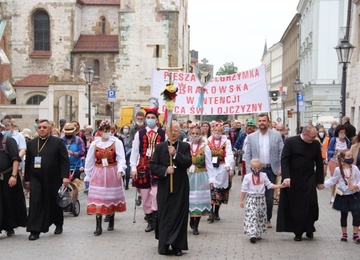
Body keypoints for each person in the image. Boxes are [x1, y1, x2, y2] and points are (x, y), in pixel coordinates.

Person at [151, 121, 192, 256]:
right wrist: (165, 170)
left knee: (179, 213)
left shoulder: (184, 146)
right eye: (171, 130)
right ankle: (164, 244)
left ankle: (177, 245)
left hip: (180, 185)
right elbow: (153, 166)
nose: (173, 133)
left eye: (176, 131)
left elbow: (188, 162)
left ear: (179, 132)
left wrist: (175, 154)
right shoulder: (160, 147)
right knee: (164, 213)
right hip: (164, 185)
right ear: (166, 132)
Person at [24, 119, 70, 241]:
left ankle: (58, 223)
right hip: (36, 178)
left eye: (44, 127)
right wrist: (27, 180)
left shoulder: (58, 142)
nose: (42, 129)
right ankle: (34, 230)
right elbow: (28, 163)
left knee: (53, 202)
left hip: (53, 178)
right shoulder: (31, 143)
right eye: (39, 127)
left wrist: (65, 176)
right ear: (37, 129)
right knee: (35, 202)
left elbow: (64, 161)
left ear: (49, 129)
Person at [276, 125, 324, 242]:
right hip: (293, 179)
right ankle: (298, 232)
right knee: (296, 206)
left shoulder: (315, 144)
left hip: (309, 179)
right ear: (304, 134)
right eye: (311, 137)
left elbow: (319, 162)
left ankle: (309, 228)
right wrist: (286, 177)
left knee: (311, 205)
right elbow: (285, 159)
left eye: (315, 137)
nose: (313, 139)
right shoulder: (291, 142)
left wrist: (320, 181)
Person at [84, 120, 127, 236]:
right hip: (98, 172)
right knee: (99, 198)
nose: (106, 132)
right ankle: (98, 225)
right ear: (100, 131)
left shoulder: (116, 142)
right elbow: (89, 160)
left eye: (108, 130)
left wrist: (120, 170)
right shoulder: (94, 144)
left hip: (112, 171)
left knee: (111, 196)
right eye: (104, 130)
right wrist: (88, 175)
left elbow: (121, 158)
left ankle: (111, 218)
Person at [243, 113, 283, 228]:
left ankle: (267, 218)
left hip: (271, 169)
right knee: (256, 195)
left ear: (268, 122)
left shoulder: (276, 136)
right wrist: (249, 172)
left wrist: (281, 167)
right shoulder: (251, 137)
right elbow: (247, 154)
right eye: (260, 121)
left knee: (269, 196)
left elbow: (282, 152)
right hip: (256, 170)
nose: (262, 123)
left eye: (264, 121)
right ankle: (256, 218)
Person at [130, 107, 166, 233]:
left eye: (153, 118)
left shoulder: (162, 133)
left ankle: (156, 219)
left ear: (157, 120)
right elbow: (134, 152)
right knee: (145, 196)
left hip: (157, 167)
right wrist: (133, 168)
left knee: (156, 194)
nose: (150, 120)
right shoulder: (139, 134)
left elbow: (166, 151)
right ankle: (149, 219)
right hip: (143, 167)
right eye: (148, 118)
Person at [318, 149, 360, 243]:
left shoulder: (355, 168)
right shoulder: (338, 170)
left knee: (356, 214)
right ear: (342, 158)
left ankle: (355, 234)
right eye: (348, 156)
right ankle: (344, 234)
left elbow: (359, 179)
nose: (351, 158)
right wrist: (323, 185)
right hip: (343, 194)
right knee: (343, 214)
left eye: (351, 156)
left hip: (354, 194)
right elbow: (333, 180)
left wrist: (356, 186)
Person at [240, 158, 285, 243]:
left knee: (260, 215)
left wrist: (280, 186)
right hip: (251, 198)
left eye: (258, 168)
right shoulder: (247, 177)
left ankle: (258, 232)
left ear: (261, 168)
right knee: (252, 215)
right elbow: (244, 189)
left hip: (261, 199)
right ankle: (252, 233)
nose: (256, 170)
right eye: (254, 168)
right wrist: (241, 200)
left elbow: (269, 185)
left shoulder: (263, 175)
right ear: (251, 168)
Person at [0, 129, 27, 237]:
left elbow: (15, 159)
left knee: (8, 202)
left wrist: (14, 175)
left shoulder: (8, 141)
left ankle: (9, 226)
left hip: (7, 176)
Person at [207, 123, 234, 222]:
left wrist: (228, 165)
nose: (217, 133)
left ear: (222, 132)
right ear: (212, 131)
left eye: (219, 131)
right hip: (211, 167)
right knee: (211, 189)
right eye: (215, 131)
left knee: (220, 191)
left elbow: (229, 154)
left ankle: (216, 212)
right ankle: (210, 212)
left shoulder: (226, 141)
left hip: (222, 167)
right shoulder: (208, 141)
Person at [187, 126, 212, 235]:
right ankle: (191, 219)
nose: (195, 135)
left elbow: (209, 164)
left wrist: (211, 179)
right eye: (193, 133)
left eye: (197, 133)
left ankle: (196, 224)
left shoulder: (205, 147)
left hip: (201, 175)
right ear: (190, 135)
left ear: (201, 135)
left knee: (199, 200)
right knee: (190, 199)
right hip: (188, 175)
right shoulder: (187, 146)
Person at [327, 124, 350, 204]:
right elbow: (329, 151)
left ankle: (339, 194)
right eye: (341, 132)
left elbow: (348, 151)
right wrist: (334, 152)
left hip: (343, 163)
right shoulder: (334, 140)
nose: (342, 134)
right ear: (338, 132)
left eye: (344, 132)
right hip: (334, 162)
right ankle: (332, 196)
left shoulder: (347, 141)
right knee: (334, 180)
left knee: (344, 179)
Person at [120, 125, 131, 190]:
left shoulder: (130, 137)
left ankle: (127, 184)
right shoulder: (120, 137)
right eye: (124, 128)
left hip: (128, 155)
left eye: (127, 128)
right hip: (122, 155)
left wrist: (126, 153)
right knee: (122, 169)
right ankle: (122, 183)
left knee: (128, 169)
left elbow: (131, 147)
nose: (125, 130)